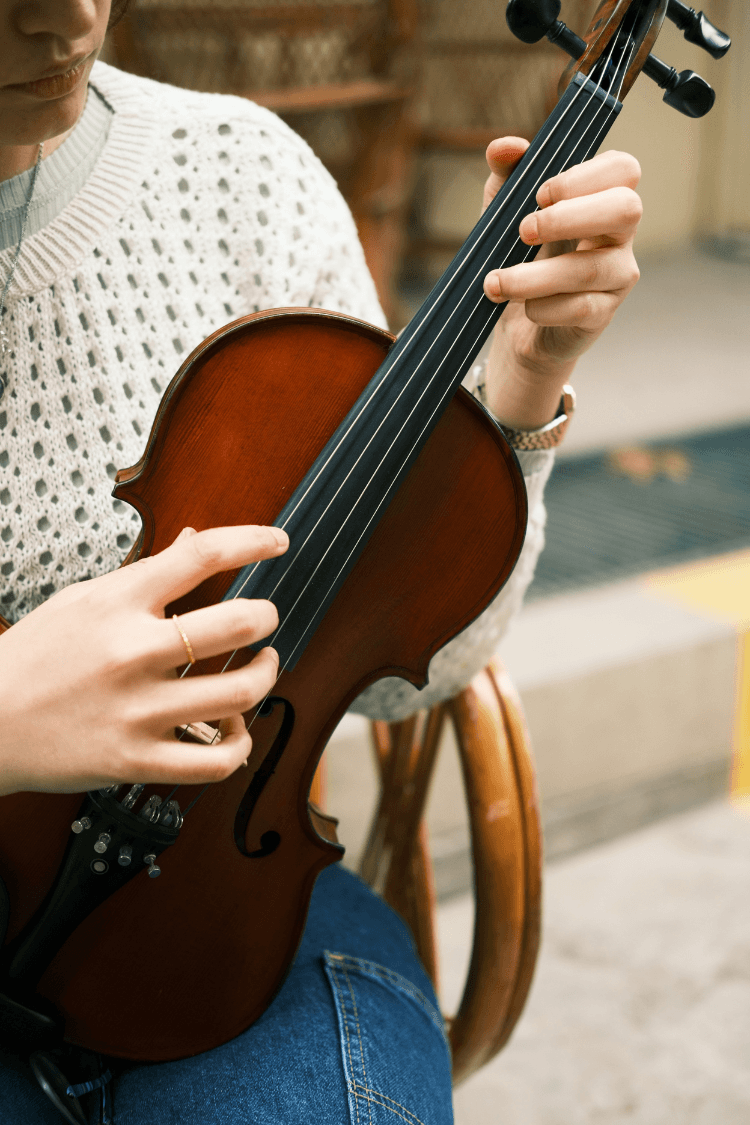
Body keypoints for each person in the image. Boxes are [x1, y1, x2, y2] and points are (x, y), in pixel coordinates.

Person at [0, 1, 642, 1121]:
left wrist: (523, 380)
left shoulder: (242, 174)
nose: (64, 15)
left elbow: (412, 669)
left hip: (232, 917)